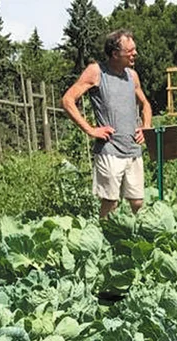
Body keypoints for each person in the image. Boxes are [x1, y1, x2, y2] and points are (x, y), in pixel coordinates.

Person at [62, 29, 152, 219]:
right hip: (109, 148)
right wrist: (90, 130)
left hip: (133, 148)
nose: (135, 54)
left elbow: (145, 104)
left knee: (137, 201)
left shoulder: (132, 76)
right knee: (110, 201)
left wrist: (146, 127)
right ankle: (106, 239)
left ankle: (135, 238)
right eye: (130, 51)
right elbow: (68, 100)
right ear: (115, 53)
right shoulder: (96, 71)